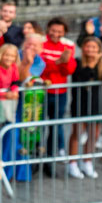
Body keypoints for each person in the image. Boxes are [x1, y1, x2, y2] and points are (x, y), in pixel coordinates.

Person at [66, 36, 102, 179]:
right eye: (88, 46)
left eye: (94, 47)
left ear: (99, 50)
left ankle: (87, 161)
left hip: (98, 104)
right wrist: (90, 65)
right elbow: (81, 78)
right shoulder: (78, 62)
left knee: (94, 135)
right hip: (81, 104)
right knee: (77, 133)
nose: (90, 50)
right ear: (83, 48)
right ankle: (72, 163)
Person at [37, 18, 76, 172]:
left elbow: (69, 71)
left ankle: (53, 153)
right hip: (40, 90)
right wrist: (58, 62)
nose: (56, 34)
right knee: (38, 124)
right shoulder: (40, 42)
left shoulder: (68, 45)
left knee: (56, 124)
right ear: (48, 29)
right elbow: (40, 66)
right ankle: (37, 152)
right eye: (53, 30)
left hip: (59, 91)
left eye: (59, 31)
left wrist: (63, 63)